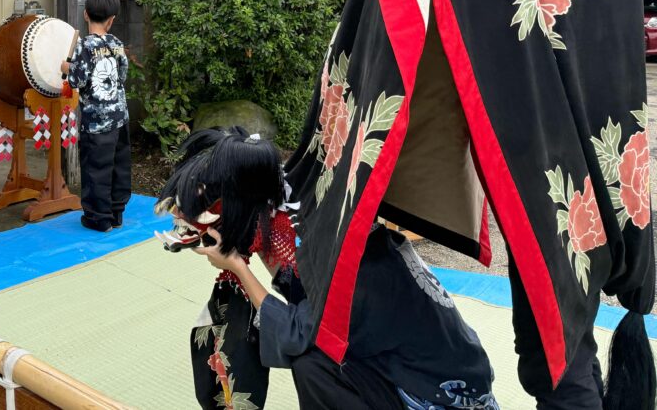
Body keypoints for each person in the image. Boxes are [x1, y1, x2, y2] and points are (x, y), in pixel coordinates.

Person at [159, 127, 499, 410]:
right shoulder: (303, 210)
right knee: (312, 356)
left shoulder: (329, 244)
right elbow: (302, 299)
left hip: (440, 389)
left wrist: (237, 266)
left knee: (311, 362)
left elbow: (299, 332)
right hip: (402, 358)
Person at [62, 0, 131, 232]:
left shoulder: (84, 46)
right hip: (120, 118)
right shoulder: (117, 43)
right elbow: (122, 76)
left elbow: (76, 81)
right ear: (112, 19)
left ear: (85, 14)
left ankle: (98, 218)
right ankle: (117, 212)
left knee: (96, 168)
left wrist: (67, 67)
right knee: (119, 165)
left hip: (96, 123)